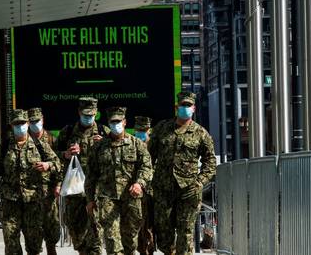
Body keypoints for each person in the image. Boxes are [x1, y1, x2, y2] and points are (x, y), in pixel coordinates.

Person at [0, 109, 62, 255]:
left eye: (22, 123)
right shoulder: (4, 148)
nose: (20, 126)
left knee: (34, 245)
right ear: (12, 126)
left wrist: (48, 165)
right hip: (10, 202)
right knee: (11, 242)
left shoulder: (40, 146)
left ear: (27, 124)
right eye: (16, 124)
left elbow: (58, 164)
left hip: (33, 203)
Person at [148, 91, 216, 255]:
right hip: (163, 191)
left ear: (193, 108)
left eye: (188, 105)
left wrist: (199, 182)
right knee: (164, 234)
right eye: (182, 105)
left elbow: (210, 162)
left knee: (185, 234)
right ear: (176, 107)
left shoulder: (201, 133)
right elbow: (148, 157)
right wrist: (149, 180)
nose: (185, 108)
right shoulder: (162, 129)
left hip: (188, 191)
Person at [85, 107, 153, 255]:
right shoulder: (99, 147)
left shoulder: (137, 145)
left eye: (118, 121)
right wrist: (90, 200)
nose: (115, 124)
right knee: (112, 241)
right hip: (107, 199)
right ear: (108, 123)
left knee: (130, 242)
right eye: (112, 121)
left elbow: (147, 167)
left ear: (124, 122)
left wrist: (139, 183)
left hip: (131, 199)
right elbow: (91, 175)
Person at [54, 97, 109, 255]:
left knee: (95, 231)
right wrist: (65, 154)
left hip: (96, 191)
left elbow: (116, 159)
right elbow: (52, 156)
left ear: (96, 113)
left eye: (91, 114)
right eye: (85, 114)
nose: (88, 117)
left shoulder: (104, 132)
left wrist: (104, 145)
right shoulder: (68, 132)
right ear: (79, 112)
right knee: (76, 231)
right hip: (75, 191)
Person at [28, 107, 61, 255]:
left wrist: (58, 184)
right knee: (33, 235)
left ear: (43, 120)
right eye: (32, 121)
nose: (35, 123)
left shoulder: (52, 139)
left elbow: (60, 165)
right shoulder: (24, 140)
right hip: (30, 194)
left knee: (51, 233)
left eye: (38, 121)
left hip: (49, 193)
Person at [134, 116, 156, 255]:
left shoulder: (155, 144)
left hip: (151, 193)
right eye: (139, 130)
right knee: (137, 227)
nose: (142, 132)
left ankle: (149, 250)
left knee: (149, 228)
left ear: (149, 129)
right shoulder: (131, 143)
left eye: (144, 130)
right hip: (135, 192)